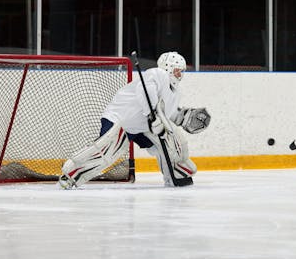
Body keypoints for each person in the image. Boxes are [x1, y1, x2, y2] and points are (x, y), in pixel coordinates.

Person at [58, 51, 211, 189]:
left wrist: (184, 118)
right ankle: (71, 174)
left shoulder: (175, 93)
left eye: (182, 71)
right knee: (108, 153)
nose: (180, 75)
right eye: (177, 71)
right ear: (168, 68)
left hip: (142, 126)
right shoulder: (158, 74)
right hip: (121, 118)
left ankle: (176, 174)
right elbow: (145, 92)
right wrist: (153, 117)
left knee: (169, 143)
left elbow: (169, 114)